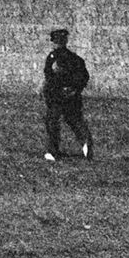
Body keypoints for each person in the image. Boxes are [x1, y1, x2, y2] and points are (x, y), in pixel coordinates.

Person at [42, 27, 93, 162]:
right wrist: (75, 90)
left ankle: (53, 151)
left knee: (53, 121)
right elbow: (84, 77)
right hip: (72, 95)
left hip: (58, 97)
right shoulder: (75, 58)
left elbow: (49, 77)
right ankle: (85, 144)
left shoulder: (53, 58)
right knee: (74, 120)